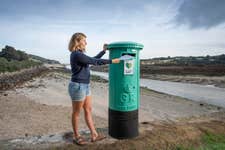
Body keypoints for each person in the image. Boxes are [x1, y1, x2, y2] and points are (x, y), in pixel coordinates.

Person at [68, 32, 120, 145]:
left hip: (85, 86)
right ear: (77, 41)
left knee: (88, 110)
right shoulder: (76, 54)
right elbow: (95, 61)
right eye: (84, 40)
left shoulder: (80, 54)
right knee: (76, 113)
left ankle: (94, 135)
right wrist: (112, 61)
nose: (86, 42)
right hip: (78, 86)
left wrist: (103, 51)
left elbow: (92, 60)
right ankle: (76, 136)